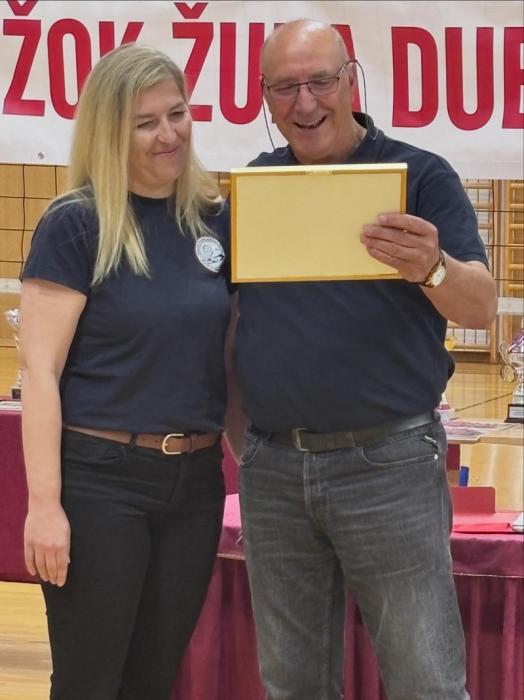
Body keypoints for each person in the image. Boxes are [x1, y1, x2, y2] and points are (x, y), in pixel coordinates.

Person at [228, 19, 498, 700]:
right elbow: (224, 322)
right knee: (292, 685)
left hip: (390, 466)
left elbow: (481, 306)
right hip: (273, 472)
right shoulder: (254, 186)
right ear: (264, 96)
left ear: (351, 80)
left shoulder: (419, 176)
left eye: (320, 81)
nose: (305, 102)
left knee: (426, 684)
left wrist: (432, 266)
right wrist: (244, 447)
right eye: (285, 87)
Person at [19, 43, 232, 700]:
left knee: (152, 682)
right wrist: (45, 506)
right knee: (89, 682)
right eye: (145, 123)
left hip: (195, 485)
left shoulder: (215, 219)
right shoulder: (76, 224)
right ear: (110, 131)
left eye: (177, 114)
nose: (169, 134)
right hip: (100, 484)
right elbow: (39, 369)